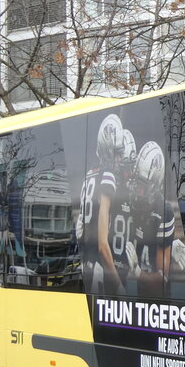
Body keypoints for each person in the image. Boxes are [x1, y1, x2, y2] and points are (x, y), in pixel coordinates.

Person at [78, 113, 137, 294]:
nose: (119, 160)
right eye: (117, 154)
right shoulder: (107, 175)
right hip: (100, 272)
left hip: (86, 264)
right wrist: (118, 285)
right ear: (108, 150)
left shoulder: (89, 175)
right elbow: (103, 244)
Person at [127, 139, 185, 297]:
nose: (138, 191)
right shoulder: (132, 203)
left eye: (143, 186)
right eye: (137, 182)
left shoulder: (163, 212)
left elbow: (161, 281)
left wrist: (137, 272)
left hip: (158, 305)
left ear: (154, 185)